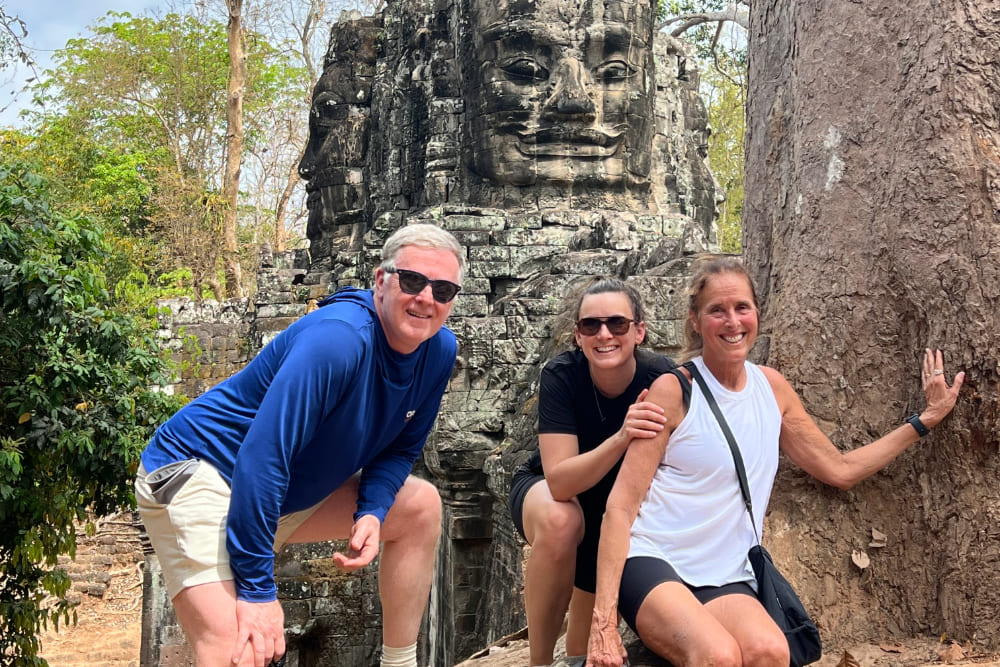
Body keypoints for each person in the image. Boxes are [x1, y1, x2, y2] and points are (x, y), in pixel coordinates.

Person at [585, 257, 964, 667]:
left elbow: (840, 470)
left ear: (756, 314)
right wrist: (602, 621)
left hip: (725, 570)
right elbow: (620, 507)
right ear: (696, 321)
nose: (732, 322)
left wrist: (924, 421)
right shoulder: (674, 390)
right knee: (718, 656)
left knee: (772, 653)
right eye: (717, 310)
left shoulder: (772, 389)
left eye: (741, 308)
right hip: (653, 560)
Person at [135, 223, 466, 667]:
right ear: (380, 280)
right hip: (202, 474)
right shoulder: (338, 340)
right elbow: (262, 458)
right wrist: (256, 591)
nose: (426, 298)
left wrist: (373, 508)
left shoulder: (439, 350)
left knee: (419, 506)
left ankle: (400, 662)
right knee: (240, 646)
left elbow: (400, 449)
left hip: (276, 493)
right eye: (412, 281)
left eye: (443, 289)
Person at [508, 277, 675, 666]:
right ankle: (538, 662)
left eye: (617, 324)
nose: (604, 334)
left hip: (615, 508)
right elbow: (560, 481)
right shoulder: (562, 376)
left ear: (639, 331)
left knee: (583, 655)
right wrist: (621, 437)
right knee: (560, 519)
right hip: (553, 490)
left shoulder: (663, 379)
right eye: (590, 325)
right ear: (578, 336)